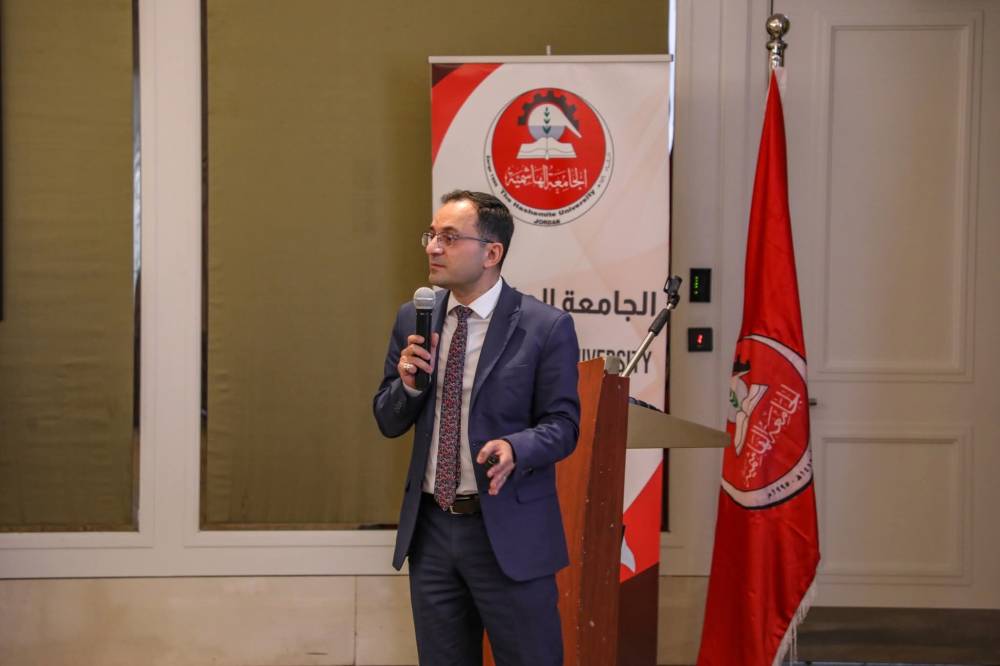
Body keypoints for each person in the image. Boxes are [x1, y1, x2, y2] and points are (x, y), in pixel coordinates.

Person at [372, 190, 581, 666]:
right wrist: (407, 387)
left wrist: (516, 447)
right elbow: (387, 419)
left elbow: (564, 425)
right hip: (432, 532)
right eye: (431, 235)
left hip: (507, 532)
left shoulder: (544, 326)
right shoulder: (414, 317)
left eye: (449, 237)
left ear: (491, 253)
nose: (433, 247)